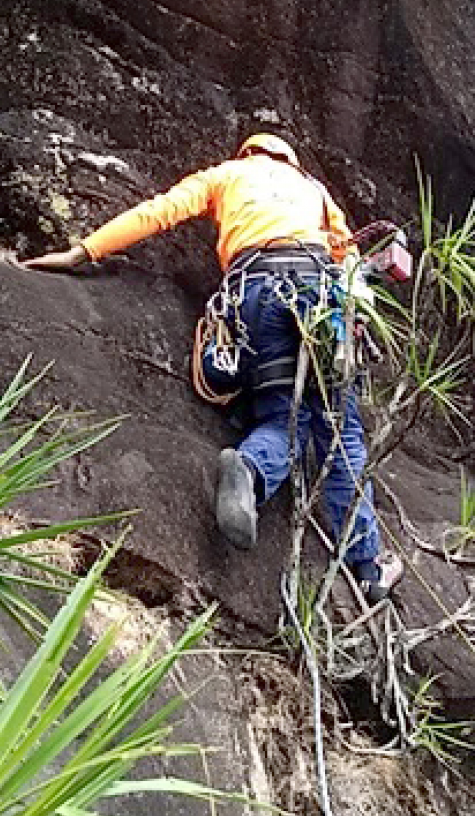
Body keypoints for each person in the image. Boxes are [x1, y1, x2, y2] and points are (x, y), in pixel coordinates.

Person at [21, 133, 403, 602]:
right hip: (315, 292)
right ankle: (366, 564)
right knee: (339, 431)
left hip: (254, 293)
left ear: (248, 153)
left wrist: (83, 251)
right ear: (289, 158)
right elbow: (347, 260)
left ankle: (250, 468)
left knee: (283, 413)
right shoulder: (315, 191)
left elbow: (157, 211)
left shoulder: (225, 175)